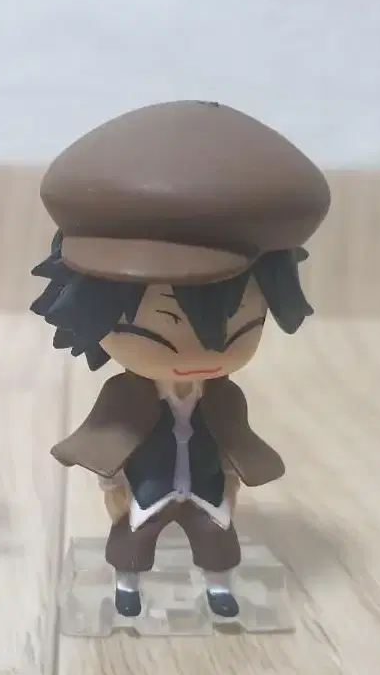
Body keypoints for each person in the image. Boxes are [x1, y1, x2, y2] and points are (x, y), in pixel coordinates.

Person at [30, 101, 330, 620]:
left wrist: (232, 484)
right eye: (164, 325)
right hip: (148, 488)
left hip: (206, 489)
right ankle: (127, 586)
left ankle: (218, 588)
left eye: (241, 325)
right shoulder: (125, 393)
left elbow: (233, 442)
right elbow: (109, 438)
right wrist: (110, 485)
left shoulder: (225, 396)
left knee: (216, 539)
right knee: (132, 539)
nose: (203, 353)